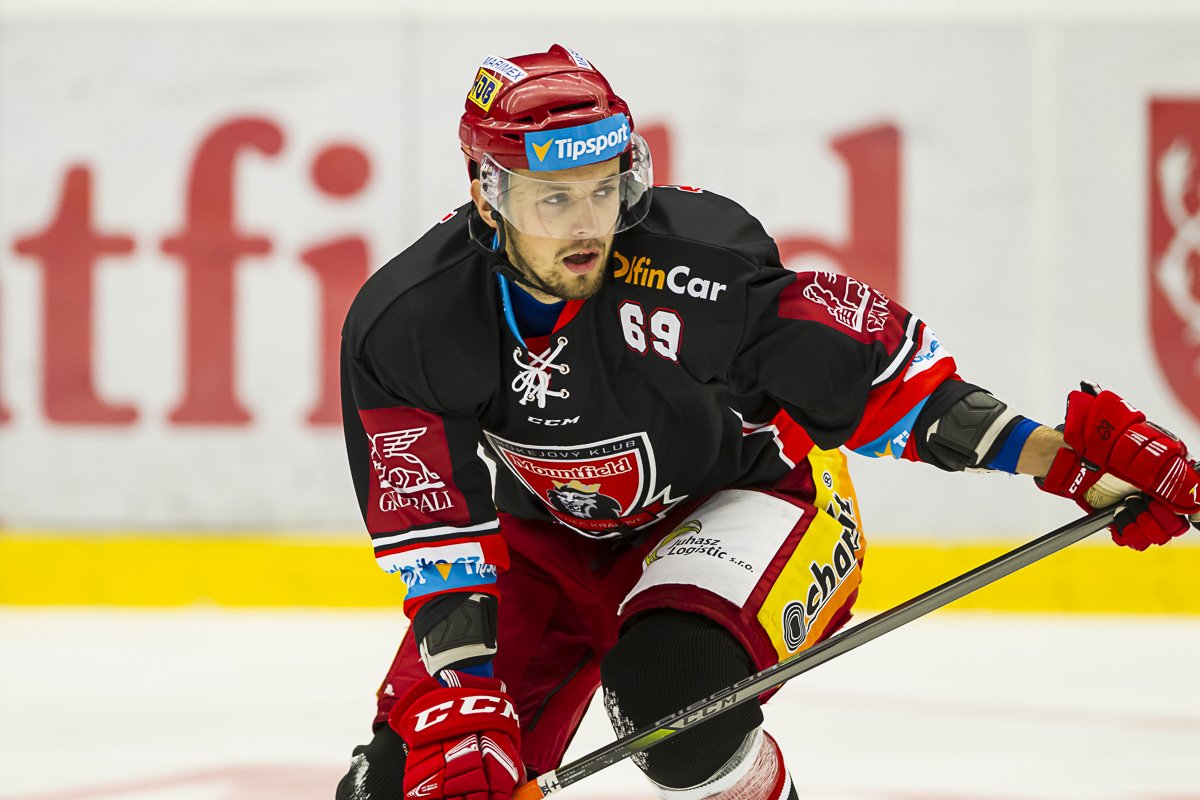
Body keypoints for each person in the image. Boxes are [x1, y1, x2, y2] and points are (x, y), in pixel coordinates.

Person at [335, 44, 1200, 800]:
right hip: (550, 542)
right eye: (553, 199)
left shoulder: (690, 263)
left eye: (603, 190)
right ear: (488, 196)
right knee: (417, 780)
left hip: (747, 497)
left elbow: (875, 379)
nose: (589, 224)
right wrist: (464, 693)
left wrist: (1062, 458)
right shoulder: (409, 323)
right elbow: (434, 527)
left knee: (676, 701)